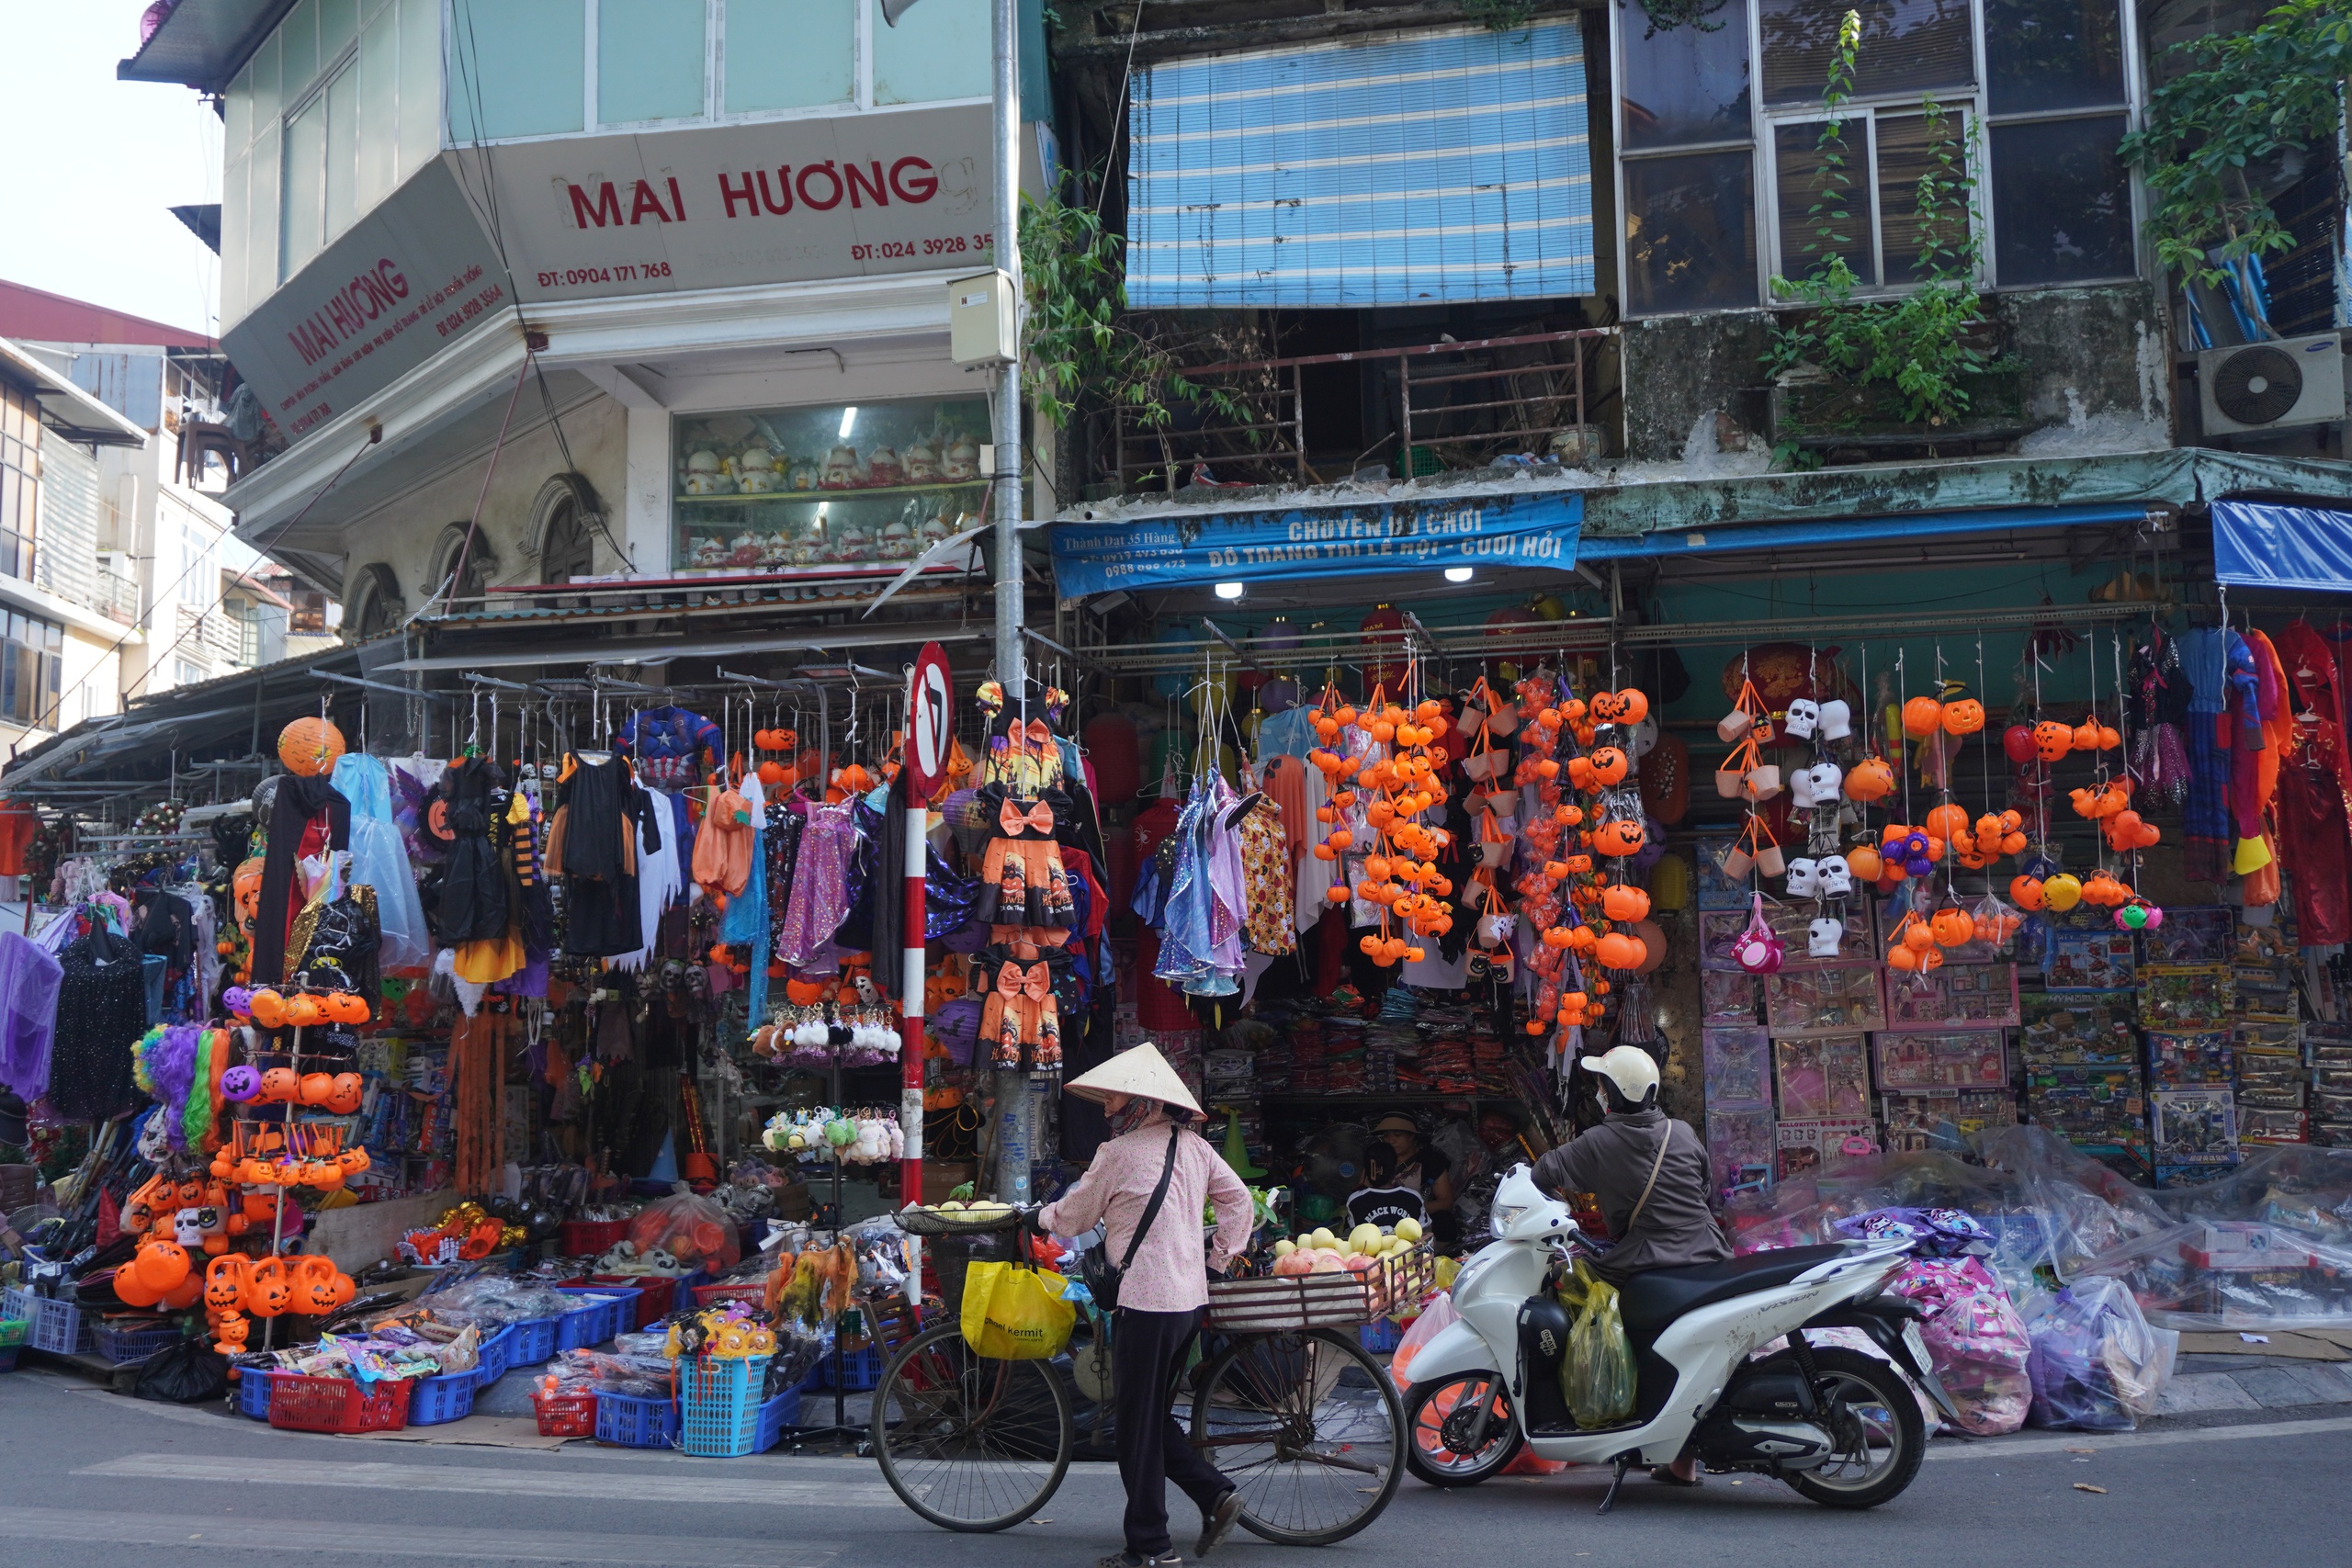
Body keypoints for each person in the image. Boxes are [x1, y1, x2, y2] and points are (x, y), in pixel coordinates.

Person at [1043, 1043, 1251, 1568]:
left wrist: (1038, 1218)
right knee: (1151, 1415)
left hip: (1146, 1302)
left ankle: (1151, 1547)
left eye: (1113, 1098)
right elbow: (1240, 1201)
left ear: (1139, 1100)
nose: (1108, 1108)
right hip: (1188, 1304)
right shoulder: (1196, 1148)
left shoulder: (1117, 1154)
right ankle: (1215, 1496)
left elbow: (1072, 1217)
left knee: (1135, 1429)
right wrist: (1219, 1259)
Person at [1530, 1044, 1730, 1487]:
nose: (1599, 1093)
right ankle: (1681, 1461)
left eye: (1602, 1086)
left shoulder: (1601, 1140)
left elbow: (1543, 1173)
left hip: (1650, 1256)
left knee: (1574, 1289)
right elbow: (1704, 1185)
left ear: (1612, 1095)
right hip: (1709, 1253)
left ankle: (1600, 1409)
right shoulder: (1682, 1131)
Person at [1365, 1111, 1458, 1244]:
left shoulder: (1431, 1161)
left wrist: (1413, 1209)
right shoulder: (1375, 1159)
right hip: (1379, 1218)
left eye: (1398, 1135)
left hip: (1419, 1220)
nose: (1391, 1140)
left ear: (1412, 1136)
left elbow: (1446, 1201)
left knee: (1444, 1220)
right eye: (1386, 1136)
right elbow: (1363, 1191)